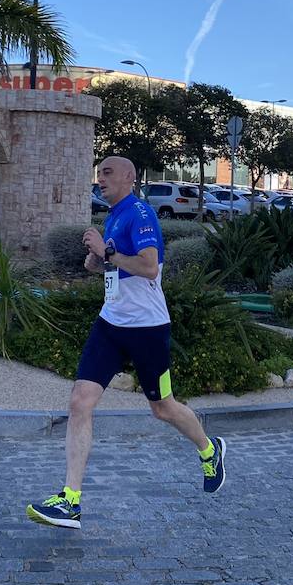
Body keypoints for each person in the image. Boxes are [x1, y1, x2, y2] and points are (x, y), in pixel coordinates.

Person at [27, 156, 226, 529]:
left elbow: (149, 267)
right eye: (98, 172)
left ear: (130, 178)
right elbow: (114, 265)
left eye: (107, 173)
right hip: (110, 323)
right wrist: (96, 261)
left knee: (162, 408)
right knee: (79, 401)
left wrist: (106, 251)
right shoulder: (114, 215)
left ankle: (209, 450)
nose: (99, 179)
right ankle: (71, 500)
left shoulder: (140, 214)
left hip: (148, 329)